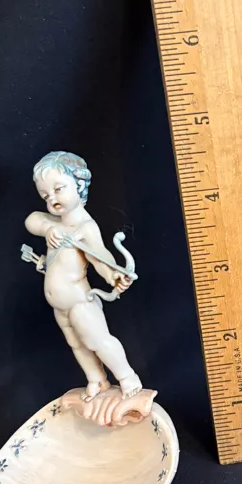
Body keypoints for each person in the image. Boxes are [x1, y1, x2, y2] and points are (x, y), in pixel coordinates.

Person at [25, 151, 143, 399]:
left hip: (80, 301)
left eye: (59, 189)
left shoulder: (85, 227)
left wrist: (113, 276)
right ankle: (97, 379)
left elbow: (99, 256)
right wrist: (48, 228)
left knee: (97, 341)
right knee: (77, 345)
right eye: (46, 195)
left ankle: (127, 378)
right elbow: (32, 220)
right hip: (60, 306)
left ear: (79, 186)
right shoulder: (54, 223)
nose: (52, 198)